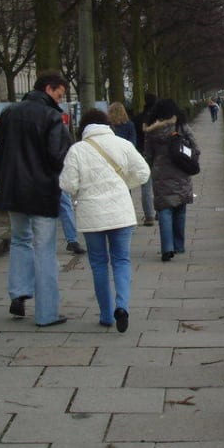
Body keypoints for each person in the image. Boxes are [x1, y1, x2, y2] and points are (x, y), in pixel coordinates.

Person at [0, 71, 72, 327]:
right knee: (45, 250)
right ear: (50, 88)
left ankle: (19, 292)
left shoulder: (9, 113)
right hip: (42, 192)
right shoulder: (52, 117)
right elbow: (60, 157)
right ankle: (47, 313)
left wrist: (3, 185)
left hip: (13, 190)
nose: (61, 99)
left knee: (19, 241)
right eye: (60, 93)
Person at [59, 108, 149, 332]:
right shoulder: (123, 144)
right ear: (107, 124)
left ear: (84, 128)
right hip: (121, 213)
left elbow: (67, 185)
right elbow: (143, 173)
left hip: (92, 216)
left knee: (99, 264)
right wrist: (123, 185)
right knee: (121, 261)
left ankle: (107, 315)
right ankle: (123, 306)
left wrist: (84, 190)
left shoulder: (77, 150)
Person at [143, 98, 198, 261]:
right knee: (180, 208)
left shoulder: (151, 132)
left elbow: (148, 155)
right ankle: (179, 245)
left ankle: (167, 247)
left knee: (164, 209)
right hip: (181, 172)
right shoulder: (181, 126)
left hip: (160, 174)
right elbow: (195, 147)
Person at [134, 92, 157, 227]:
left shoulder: (138, 119)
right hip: (159, 155)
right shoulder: (160, 119)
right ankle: (162, 211)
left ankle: (149, 216)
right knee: (160, 185)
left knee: (146, 186)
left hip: (143, 154)